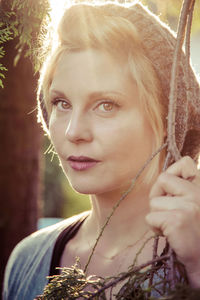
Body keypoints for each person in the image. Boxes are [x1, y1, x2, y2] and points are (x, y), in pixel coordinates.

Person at [3, 1, 200, 299]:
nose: (74, 132)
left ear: (169, 120)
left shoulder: (193, 257)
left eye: (106, 105)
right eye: (61, 103)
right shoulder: (28, 261)